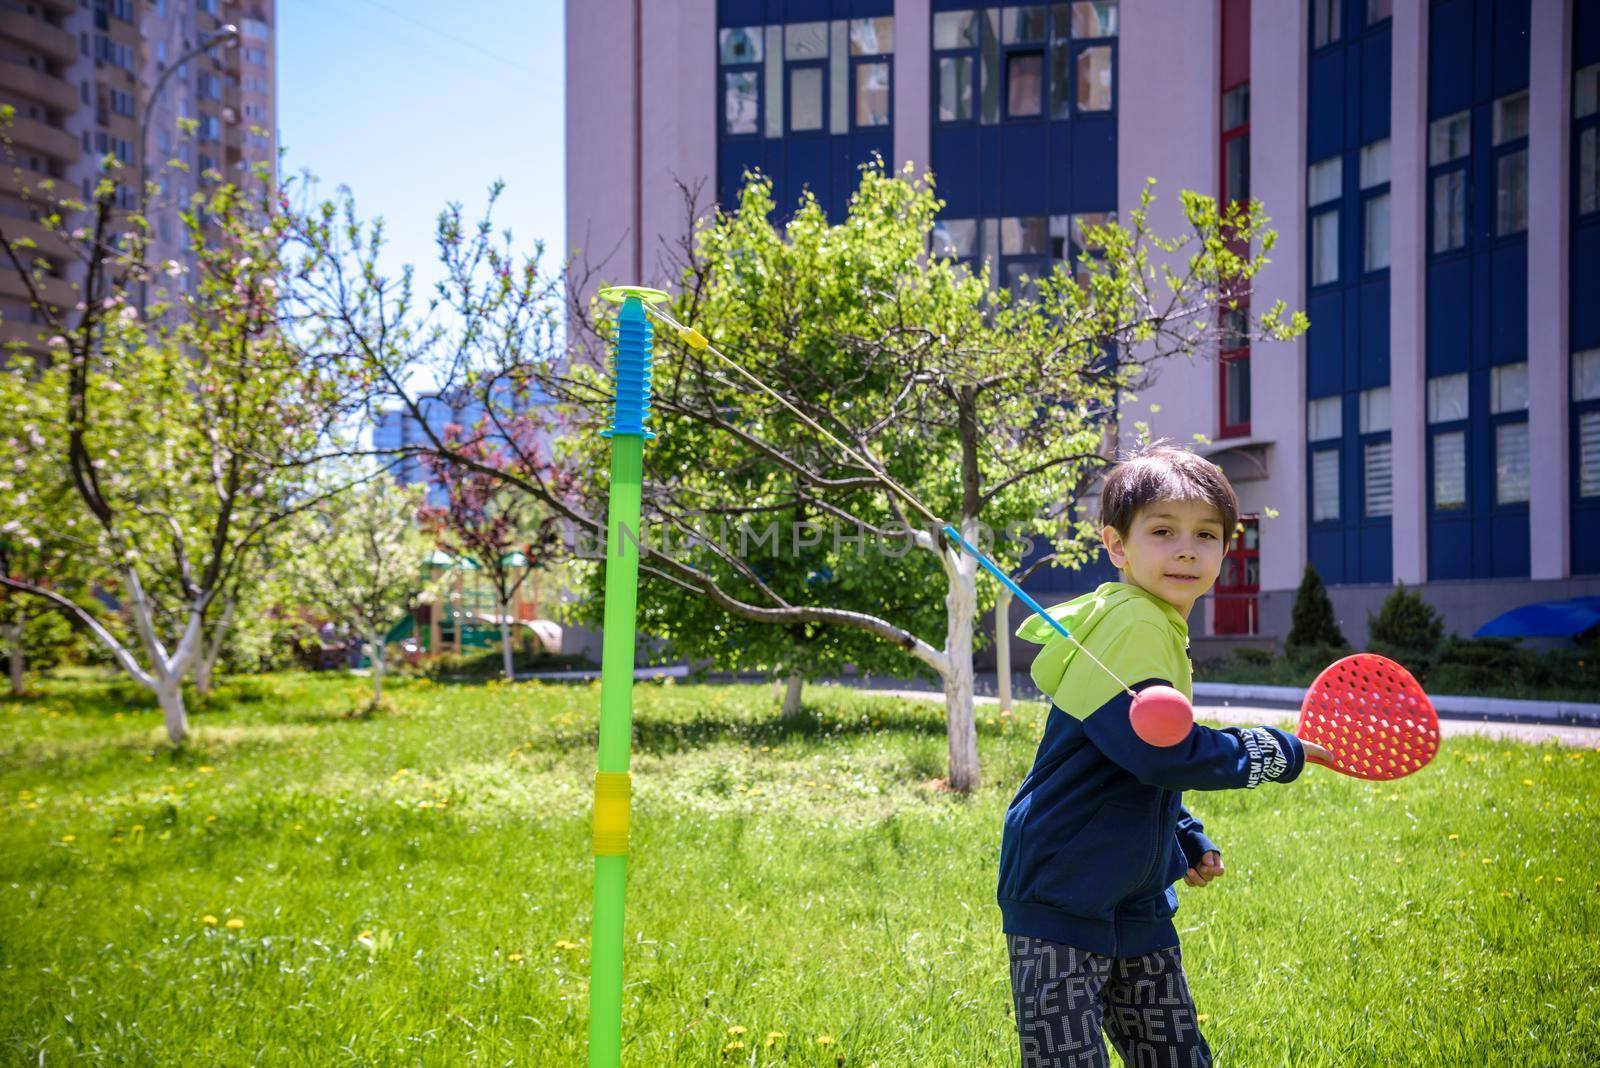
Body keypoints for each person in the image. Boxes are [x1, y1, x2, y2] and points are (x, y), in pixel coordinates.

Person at [997, 442, 1333, 1067]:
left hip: (1133, 891)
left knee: (1174, 1054)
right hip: (1063, 890)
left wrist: (1183, 833)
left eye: (1207, 534)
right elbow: (1163, 753)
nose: (1186, 548)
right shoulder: (1135, 623)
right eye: (1162, 530)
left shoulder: (1154, 621)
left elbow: (1128, 758)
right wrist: (1277, 752)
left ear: (1227, 551)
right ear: (1116, 545)